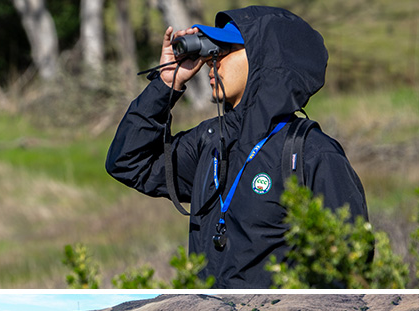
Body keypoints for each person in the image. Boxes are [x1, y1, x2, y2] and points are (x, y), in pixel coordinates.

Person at [105, 6, 368, 288]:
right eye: (211, 50)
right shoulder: (211, 141)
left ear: (263, 60)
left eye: (224, 50)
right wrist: (166, 84)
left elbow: (348, 268)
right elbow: (129, 163)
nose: (210, 61)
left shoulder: (311, 155)